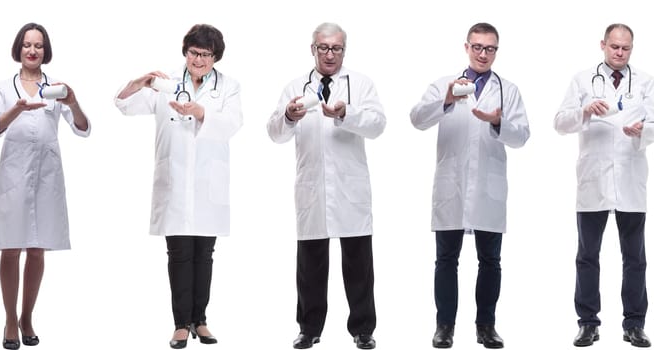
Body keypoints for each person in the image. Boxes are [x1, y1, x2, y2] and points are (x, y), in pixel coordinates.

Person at [114, 24, 242, 349]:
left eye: (206, 54)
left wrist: (200, 111)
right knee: (179, 254)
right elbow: (124, 105)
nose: (198, 59)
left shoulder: (228, 87)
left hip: (207, 185)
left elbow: (232, 123)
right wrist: (137, 83)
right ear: (185, 51)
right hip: (173, 183)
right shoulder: (166, 83)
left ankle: (201, 319)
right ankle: (181, 324)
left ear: (216, 58)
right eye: (194, 52)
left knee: (205, 254)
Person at [410, 22, 530, 349]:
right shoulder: (443, 85)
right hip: (452, 187)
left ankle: (486, 327)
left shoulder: (509, 90)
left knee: (490, 261)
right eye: (477, 47)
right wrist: (446, 101)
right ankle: (444, 327)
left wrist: (498, 122)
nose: (482, 54)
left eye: (489, 48)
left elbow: (522, 137)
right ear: (466, 47)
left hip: (489, 190)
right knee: (446, 260)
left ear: (496, 51)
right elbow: (417, 119)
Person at [267, 22, 386, 350]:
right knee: (310, 266)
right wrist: (290, 116)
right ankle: (309, 328)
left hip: (351, 191)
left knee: (359, 264)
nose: (330, 54)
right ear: (313, 49)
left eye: (336, 48)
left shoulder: (360, 84)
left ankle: (363, 329)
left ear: (344, 50)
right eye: (323, 47)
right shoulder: (295, 86)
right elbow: (275, 133)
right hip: (313, 189)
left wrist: (347, 113)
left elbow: (378, 125)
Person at [0, 22, 91, 349]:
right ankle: (10, 319)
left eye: (38, 45)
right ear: (18, 49)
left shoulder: (56, 87)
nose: (32, 50)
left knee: (38, 247)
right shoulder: (5, 88)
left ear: (46, 50)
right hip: (13, 177)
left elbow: (83, 129)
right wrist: (15, 110)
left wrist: (72, 102)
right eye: (27, 44)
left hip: (46, 176)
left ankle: (28, 316)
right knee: (11, 247)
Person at [554, 23, 654, 348]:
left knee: (635, 258)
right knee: (587, 256)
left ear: (632, 48)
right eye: (614, 46)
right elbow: (560, 123)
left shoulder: (645, 81)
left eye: (625, 48)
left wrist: (642, 130)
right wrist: (584, 111)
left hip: (630, 179)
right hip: (593, 181)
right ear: (603, 44)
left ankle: (634, 324)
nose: (619, 53)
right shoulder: (582, 80)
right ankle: (588, 323)